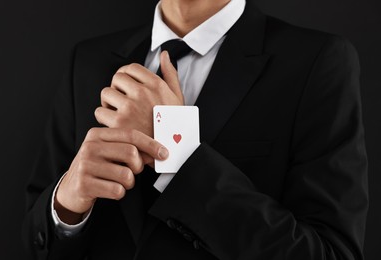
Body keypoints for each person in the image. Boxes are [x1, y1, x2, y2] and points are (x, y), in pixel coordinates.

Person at [22, 0, 368, 259]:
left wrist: (180, 155)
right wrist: (66, 207)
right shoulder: (88, 60)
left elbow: (329, 253)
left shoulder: (317, 61)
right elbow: (32, 240)